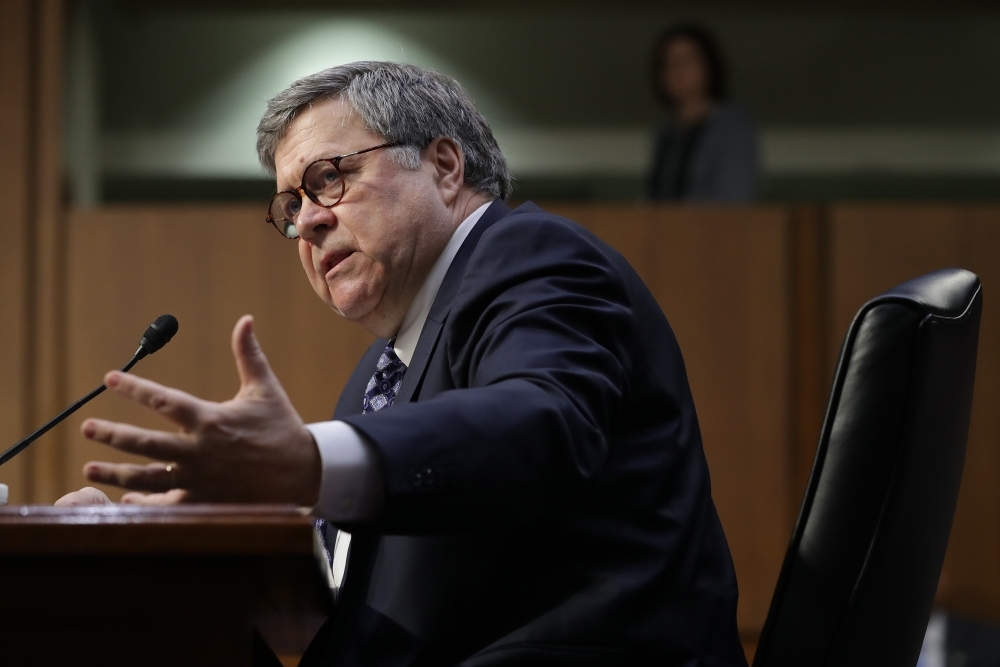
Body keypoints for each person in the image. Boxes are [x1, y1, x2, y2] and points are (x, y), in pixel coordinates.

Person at [58, 62, 747, 666]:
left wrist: (307, 461)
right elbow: (355, 610)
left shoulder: (535, 255)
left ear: (446, 167)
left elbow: (543, 423)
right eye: (292, 206)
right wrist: (176, 555)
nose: (309, 222)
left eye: (330, 178)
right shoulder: (377, 377)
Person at [647, 24, 759, 202]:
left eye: (685, 61)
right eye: (667, 63)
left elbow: (733, 198)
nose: (675, 70)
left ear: (709, 67)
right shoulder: (666, 134)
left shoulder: (732, 126)